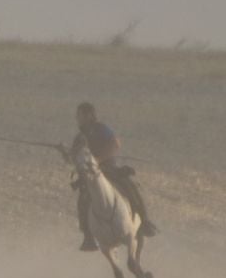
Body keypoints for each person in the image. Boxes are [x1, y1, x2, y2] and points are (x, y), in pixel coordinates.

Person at [67, 102, 158, 250]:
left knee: (129, 186)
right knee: (82, 200)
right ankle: (88, 237)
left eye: (79, 115)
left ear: (89, 115)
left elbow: (115, 144)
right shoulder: (79, 138)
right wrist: (65, 153)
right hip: (90, 176)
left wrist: (98, 160)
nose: (77, 118)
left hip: (109, 169)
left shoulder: (101, 129)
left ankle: (145, 222)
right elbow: (73, 158)